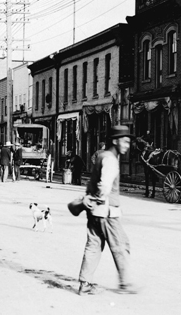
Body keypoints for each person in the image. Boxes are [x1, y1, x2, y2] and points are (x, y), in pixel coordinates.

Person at [78, 125, 136, 296]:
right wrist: (98, 198)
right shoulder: (111, 159)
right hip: (107, 211)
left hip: (94, 212)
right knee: (121, 245)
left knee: (93, 246)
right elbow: (104, 186)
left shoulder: (101, 156)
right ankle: (125, 284)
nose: (127, 145)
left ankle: (84, 283)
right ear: (115, 141)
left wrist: (90, 201)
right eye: (125, 141)